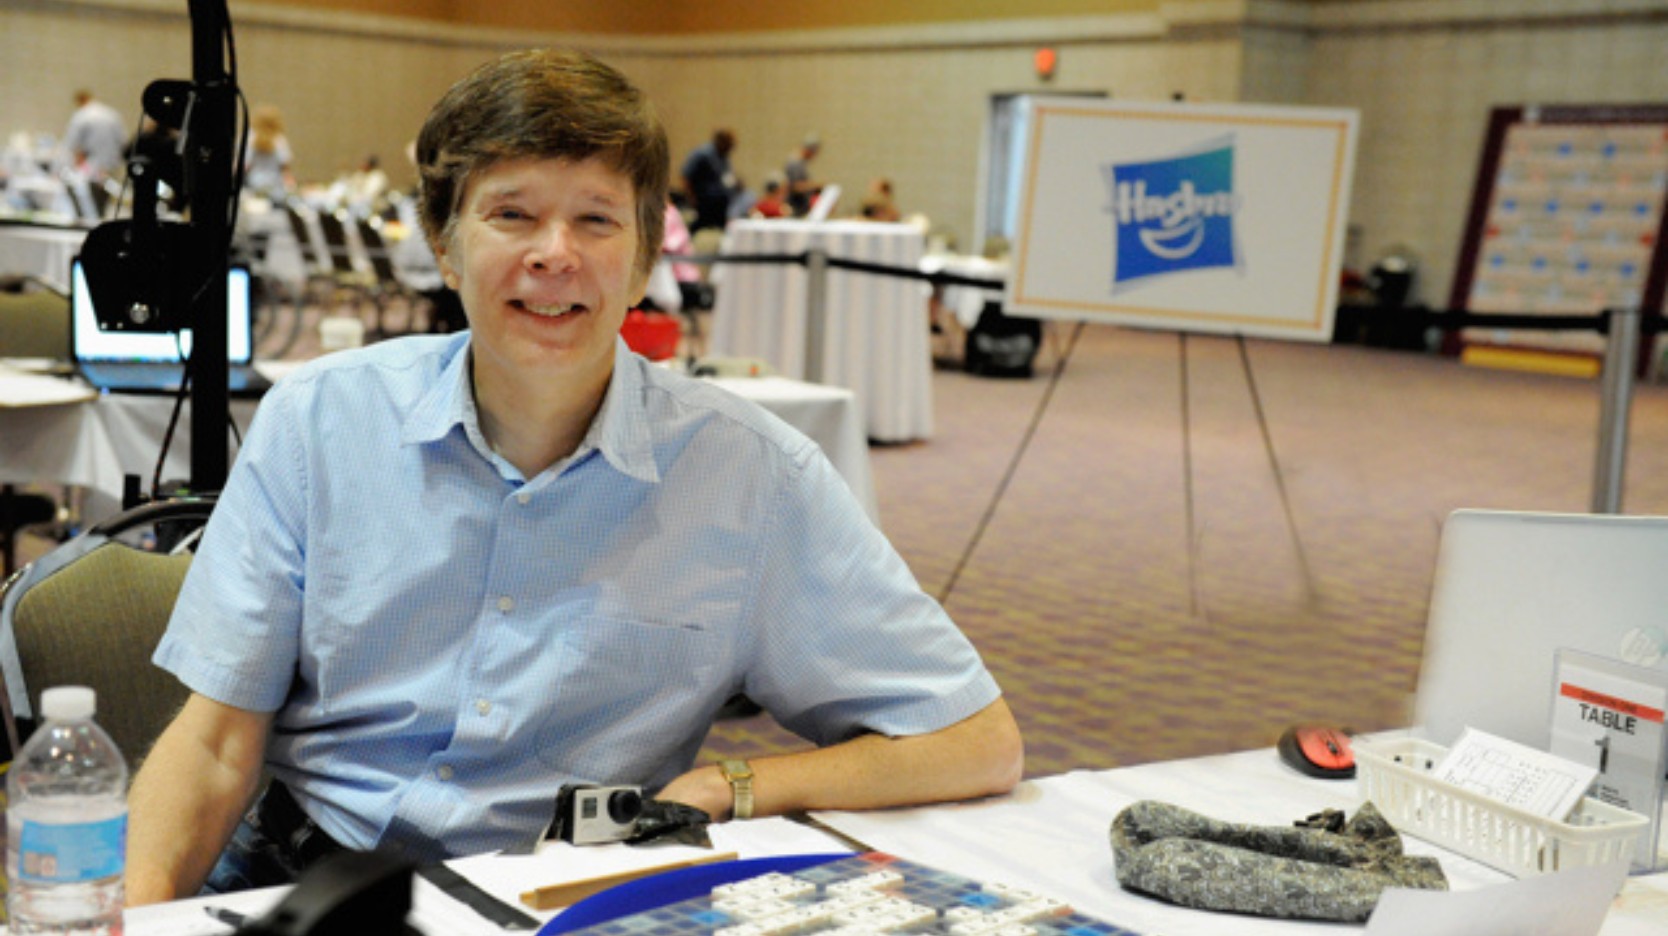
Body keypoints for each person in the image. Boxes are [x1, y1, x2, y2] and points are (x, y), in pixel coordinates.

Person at [126, 48, 1022, 903]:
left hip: (565, 892)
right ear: (443, 245)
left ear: (640, 263)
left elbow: (974, 742)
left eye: (595, 219)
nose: (555, 253)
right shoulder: (318, 422)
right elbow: (212, 749)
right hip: (302, 872)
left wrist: (726, 787)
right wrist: (136, 915)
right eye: (511, 214)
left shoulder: (753, 476)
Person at [679, 128, 737, 232]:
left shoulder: (724, 157)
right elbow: (685, 176)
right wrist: (691, 197)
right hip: (705, 201)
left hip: (721, 203)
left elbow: (727, 178)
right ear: (721, 141)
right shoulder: (702, 154)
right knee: (700, 226)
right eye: (730, 143)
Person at [63, 89, 127, 180]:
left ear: (79, 101)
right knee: (110, 189)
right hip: (113, 162)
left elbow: (71, 143)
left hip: (92, 163)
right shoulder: (111, 114)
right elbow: (123, 139)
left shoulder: (81, 115)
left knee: (91, 189)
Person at [243, 104, 294, 202]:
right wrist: (291, 188)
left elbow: (245, 166)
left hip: (254, 185)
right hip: (276, 188)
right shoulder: (280, 140)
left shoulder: (250, 138)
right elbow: (285, 169)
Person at [784, 134, 821, 217]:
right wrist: (814, 185)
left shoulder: (801, 163)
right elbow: (795, 186)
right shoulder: (795, 164)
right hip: (795, 207)